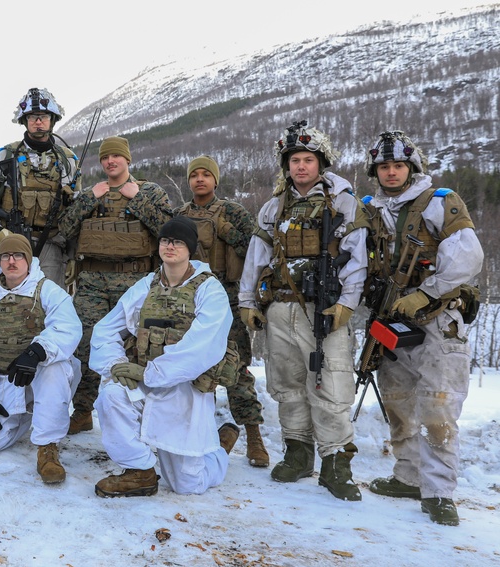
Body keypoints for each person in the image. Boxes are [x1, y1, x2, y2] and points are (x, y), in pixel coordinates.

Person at [238, 121, 368, 501]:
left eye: (308, 159)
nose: (300, 167)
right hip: (280, 308)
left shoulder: (342, 201)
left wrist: (346, 304)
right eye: (294, 160)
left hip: (323, 309)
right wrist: (248, 302)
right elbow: (256, 258)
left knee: (332, 386)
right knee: (287, 385)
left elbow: (356, 259)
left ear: (320, 162)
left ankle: (335, 464)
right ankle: (298, 454)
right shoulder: (273, 207)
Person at [363, 131, 483, 526]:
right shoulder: (373, 209)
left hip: (436, 320)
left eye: (398, 166)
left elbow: (468, 258)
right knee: (397, 401)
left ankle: (439, 492)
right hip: (390, 318)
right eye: (384, 167)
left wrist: (426, 293)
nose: (392, 172)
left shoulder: (438, 202)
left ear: (412, 168)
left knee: (438, 406)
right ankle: (408, 476)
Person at [91, 217, 236, 497]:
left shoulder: (209, 289)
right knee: (111, 395)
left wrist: (149, 374)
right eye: (166, 240)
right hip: (144, 385)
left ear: (190, 248)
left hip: (186, 391)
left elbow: (201, 347)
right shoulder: (146, 286)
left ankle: (217, 449)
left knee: (187, 485)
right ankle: (139, 472)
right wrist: (116, 364)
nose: (170, 246)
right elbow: (105, 330)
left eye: (178, 241)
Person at [57, 135, 172, 435]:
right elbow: (64, 229)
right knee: (85, 346)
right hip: (92, 283)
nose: (110, 162)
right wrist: (86, 200)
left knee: (135, 349)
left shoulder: (150, 192)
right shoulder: (92, 194)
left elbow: (168, 231)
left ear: (127, 159)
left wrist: (139, 200)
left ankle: (136, 416)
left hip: (133, 283)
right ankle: (83, 411)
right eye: (105, 157)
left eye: (116, 157)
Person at [173, 155, 269, 467]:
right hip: (193, 298)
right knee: (197, 367)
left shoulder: (233, 212)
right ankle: (203, 432)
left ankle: (253, 434)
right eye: (194, 175)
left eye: (206, 175)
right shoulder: (182, 215)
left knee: (236, 365)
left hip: (227, 297)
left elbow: (256, 250)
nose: (200, 179)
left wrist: (228, 230)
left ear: (215, 180)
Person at [0, 234, 83, 484]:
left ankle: (47, 447)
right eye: (6, 256)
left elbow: (68, 327)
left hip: (41, 372)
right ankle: (31, 413)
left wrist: (36, 352)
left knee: (57, 366)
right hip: (5, 376)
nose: (12, 261)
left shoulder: (47, 290)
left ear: (28, 260)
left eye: (18, 255)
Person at [0, 87, 78, 289]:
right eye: (32, 117)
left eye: (42, 116)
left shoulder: (67, 160)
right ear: (24, 121)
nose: (38, 121)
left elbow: (76, 212)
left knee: (48, 308)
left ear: (52, 119)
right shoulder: (5, 156)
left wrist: (74, 255)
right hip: (9, 243)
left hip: (51, 247)